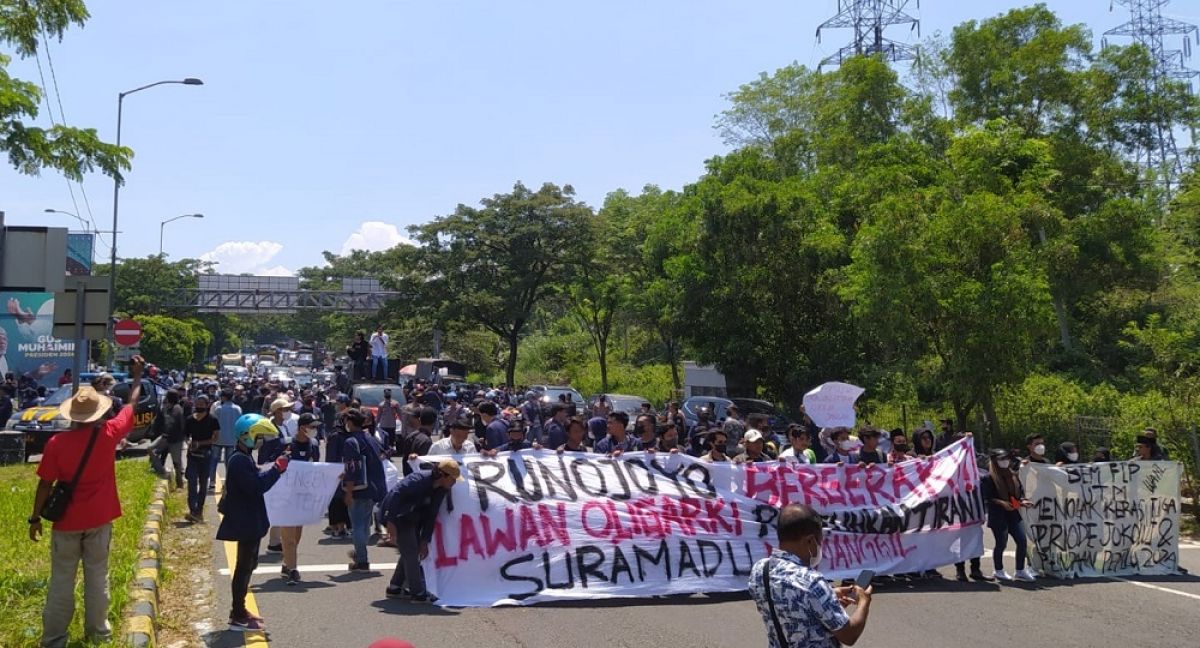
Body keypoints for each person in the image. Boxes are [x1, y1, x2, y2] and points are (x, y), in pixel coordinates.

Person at [29, 356, 146, 648]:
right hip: (99, 518)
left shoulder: (56, 444)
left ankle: (54, 639)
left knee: (61, 581)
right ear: (99, 413)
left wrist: (35, 518)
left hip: (65, 523)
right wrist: (137, 376)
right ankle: (98, 633)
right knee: (97, 577)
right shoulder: (109, 434)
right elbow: (132, 404)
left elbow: (45, 484)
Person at [748, 503, 872, 648]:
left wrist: (829, 597)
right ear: (810, 541)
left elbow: (784, 608)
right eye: (820, 541)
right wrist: (864, 601)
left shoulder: (760, 569)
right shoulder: (812, 581)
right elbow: (849, 635)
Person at [217, 413, 288, 631]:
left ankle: (239, 609)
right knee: (243, 567)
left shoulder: (243, 457)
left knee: (248, 566)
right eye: (258, 436)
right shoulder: (239, 460)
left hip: (249, 520)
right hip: (245, 521)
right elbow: (256, 486)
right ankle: (238, 614)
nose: (260, 441)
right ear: (246, 436)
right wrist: (276, 469)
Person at [382, 459, 461, 602]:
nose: (454, 482)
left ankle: (394, 587)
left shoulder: (441, 489)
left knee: (410, 550)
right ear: (443, 475)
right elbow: (395, 495)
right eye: (453, 479)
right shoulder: (418, 480)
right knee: (411, 552)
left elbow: (432, 514)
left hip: (412, 517)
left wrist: (424, 540)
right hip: (397, 516)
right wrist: (390, 523)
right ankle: (418, 593)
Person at [981, 449, 1036, 582]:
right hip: (998, 515)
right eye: (1001, 459)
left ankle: (1020, 570)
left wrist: (1022, 501)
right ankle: (998, 570)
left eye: (1006, 458)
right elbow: (986, 498)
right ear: (994, 461)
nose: (1005, 461)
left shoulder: (1012, 475)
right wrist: (1001, 503)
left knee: (1021, 540)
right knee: (1001, 543)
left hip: (1013, 513)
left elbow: (1018, 494)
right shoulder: (988, 478)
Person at [280, 414, 321, 585]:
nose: (314, 430)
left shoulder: (314, 445)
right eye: (312, 426)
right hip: (286, 495)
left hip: (304, 494)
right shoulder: (286, 444)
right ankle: (293, 570)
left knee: (297, 531)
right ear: (302, 427)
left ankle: (287, 562)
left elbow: (317, 467)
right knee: (288, 534)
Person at [341, 408, 378, 571]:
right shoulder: (370, 438)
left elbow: (351, 468)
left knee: (357, 525)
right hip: (372, 486)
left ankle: (362, 559)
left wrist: (349, 491)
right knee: (365, 524)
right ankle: (360, 553)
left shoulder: (351, 442)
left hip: (357, 487)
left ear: (349, 422)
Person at [183, 394, 219, 523]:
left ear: (207, 405)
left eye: (201, 404)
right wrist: (189, 442)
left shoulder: (213, 420)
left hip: (206, 455)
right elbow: (186, 435)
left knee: (203, 483)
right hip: (192, 455)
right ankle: (192, 510)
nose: (198, 406)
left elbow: (215, 438)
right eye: (197, 404)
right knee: (192, 482)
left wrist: (200, 443)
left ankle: (199, 510)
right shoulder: (189, 419)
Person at [150, 389, 186, 487]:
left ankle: (179, 483)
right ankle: (162, 472)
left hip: (175, 439)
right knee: (150, 449)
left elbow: (177, 425)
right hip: (164, 437)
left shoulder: (177, 409)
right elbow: (162, 421)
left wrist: (182, 437)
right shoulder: (165, 407)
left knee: (176, 462)